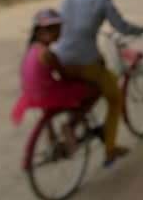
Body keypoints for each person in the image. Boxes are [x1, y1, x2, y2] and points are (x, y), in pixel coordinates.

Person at [54, 0, 143, 167]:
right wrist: (139, 30)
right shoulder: (102, 0)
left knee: (95, 86)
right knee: (114, 98)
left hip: (62, 57)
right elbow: (121, 26)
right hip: (86, 60)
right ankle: (110, 148)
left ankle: (76, 120)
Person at [10, 9, 99, 151]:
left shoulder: (32, 49)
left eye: (58, 29)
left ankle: (51, 136)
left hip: (31, 94)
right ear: (40, 33)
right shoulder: (48, 54)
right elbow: (67, 77)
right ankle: (71, 125)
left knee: (55, 96)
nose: (59, 33)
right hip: (47, 93)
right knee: (94, 89)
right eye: (54, 30)